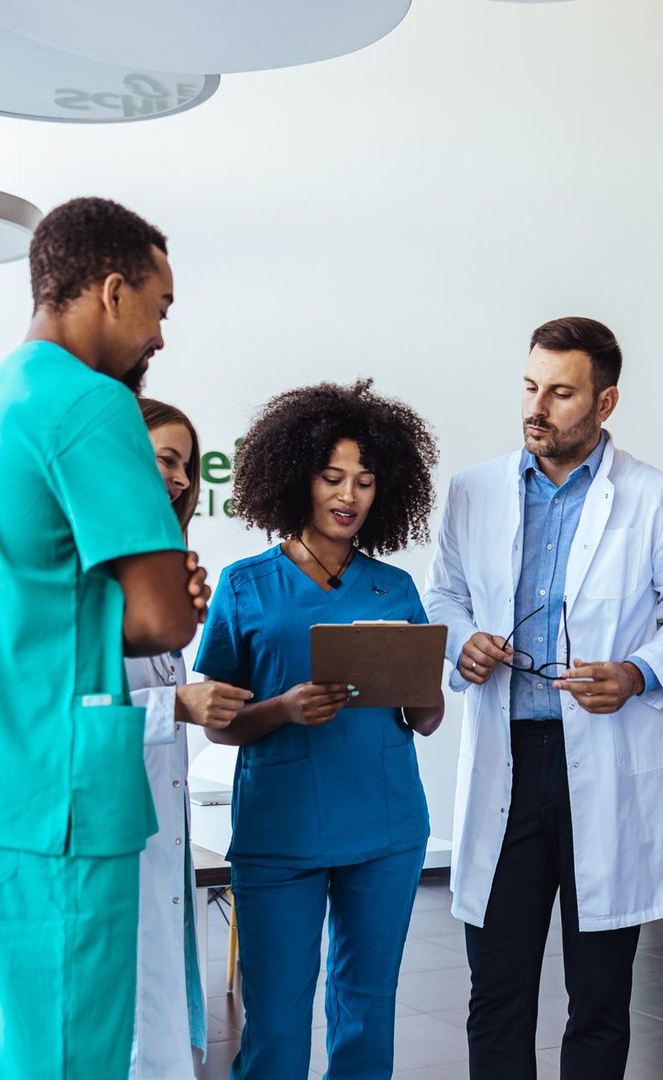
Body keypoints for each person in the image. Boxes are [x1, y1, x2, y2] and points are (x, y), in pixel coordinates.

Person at [0, 197, 213, 1079]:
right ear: (112, 292)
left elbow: (28, 592)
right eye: (160, 307)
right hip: (54, 804)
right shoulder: (92, 406)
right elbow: (159, 617)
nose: (160, 333)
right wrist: (172, 592)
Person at [425, 316, 663, 1080]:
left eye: (560, 392)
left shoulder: (656, 497)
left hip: (606, 762)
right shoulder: (473, 490)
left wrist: (638, 674)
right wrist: (465, 640)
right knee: (498, 990)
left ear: (605, 402)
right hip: (507, 762)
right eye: (529, 387)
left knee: (600, 998)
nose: (537, 406)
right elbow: (444, 595)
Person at [193, 380, 444, 1080]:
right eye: (333, 477)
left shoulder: (394, 587)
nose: (349, 494)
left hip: (385, 826)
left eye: (365, 481)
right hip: (281, 832)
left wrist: (426, 688)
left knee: (367, 1008)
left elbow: (424, 718)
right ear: (297, 478)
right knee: (274, 1016)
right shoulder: (245, 586)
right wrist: (283, 708)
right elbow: (220, 724)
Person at [128, 397, 253, 1078]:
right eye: (164, 460)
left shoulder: (167, 571)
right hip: (111, 833)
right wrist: (175, 704)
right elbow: (55, 707)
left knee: (161, 1023)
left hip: (157, 834)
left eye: (185, 466)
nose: (179, 479)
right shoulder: (93, 574)